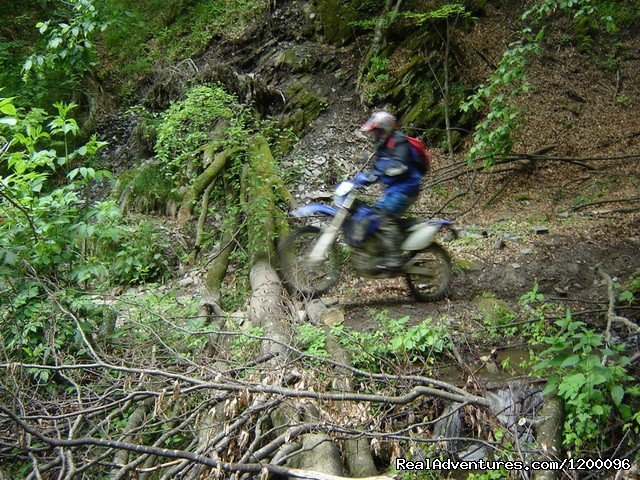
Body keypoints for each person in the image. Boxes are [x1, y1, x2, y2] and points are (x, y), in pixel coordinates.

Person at [355, 110, 424, 270]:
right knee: (372, 214)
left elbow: (400, 166)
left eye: (377, 131)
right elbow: (376, 169)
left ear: (385, 129)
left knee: (385, 217)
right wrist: (363, 179)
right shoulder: (383, 147)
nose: (375, 135)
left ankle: (396, 258)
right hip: (394, 190)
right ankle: (389, 246)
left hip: (407, 188)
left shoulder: (399, 141)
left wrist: (378, 174)